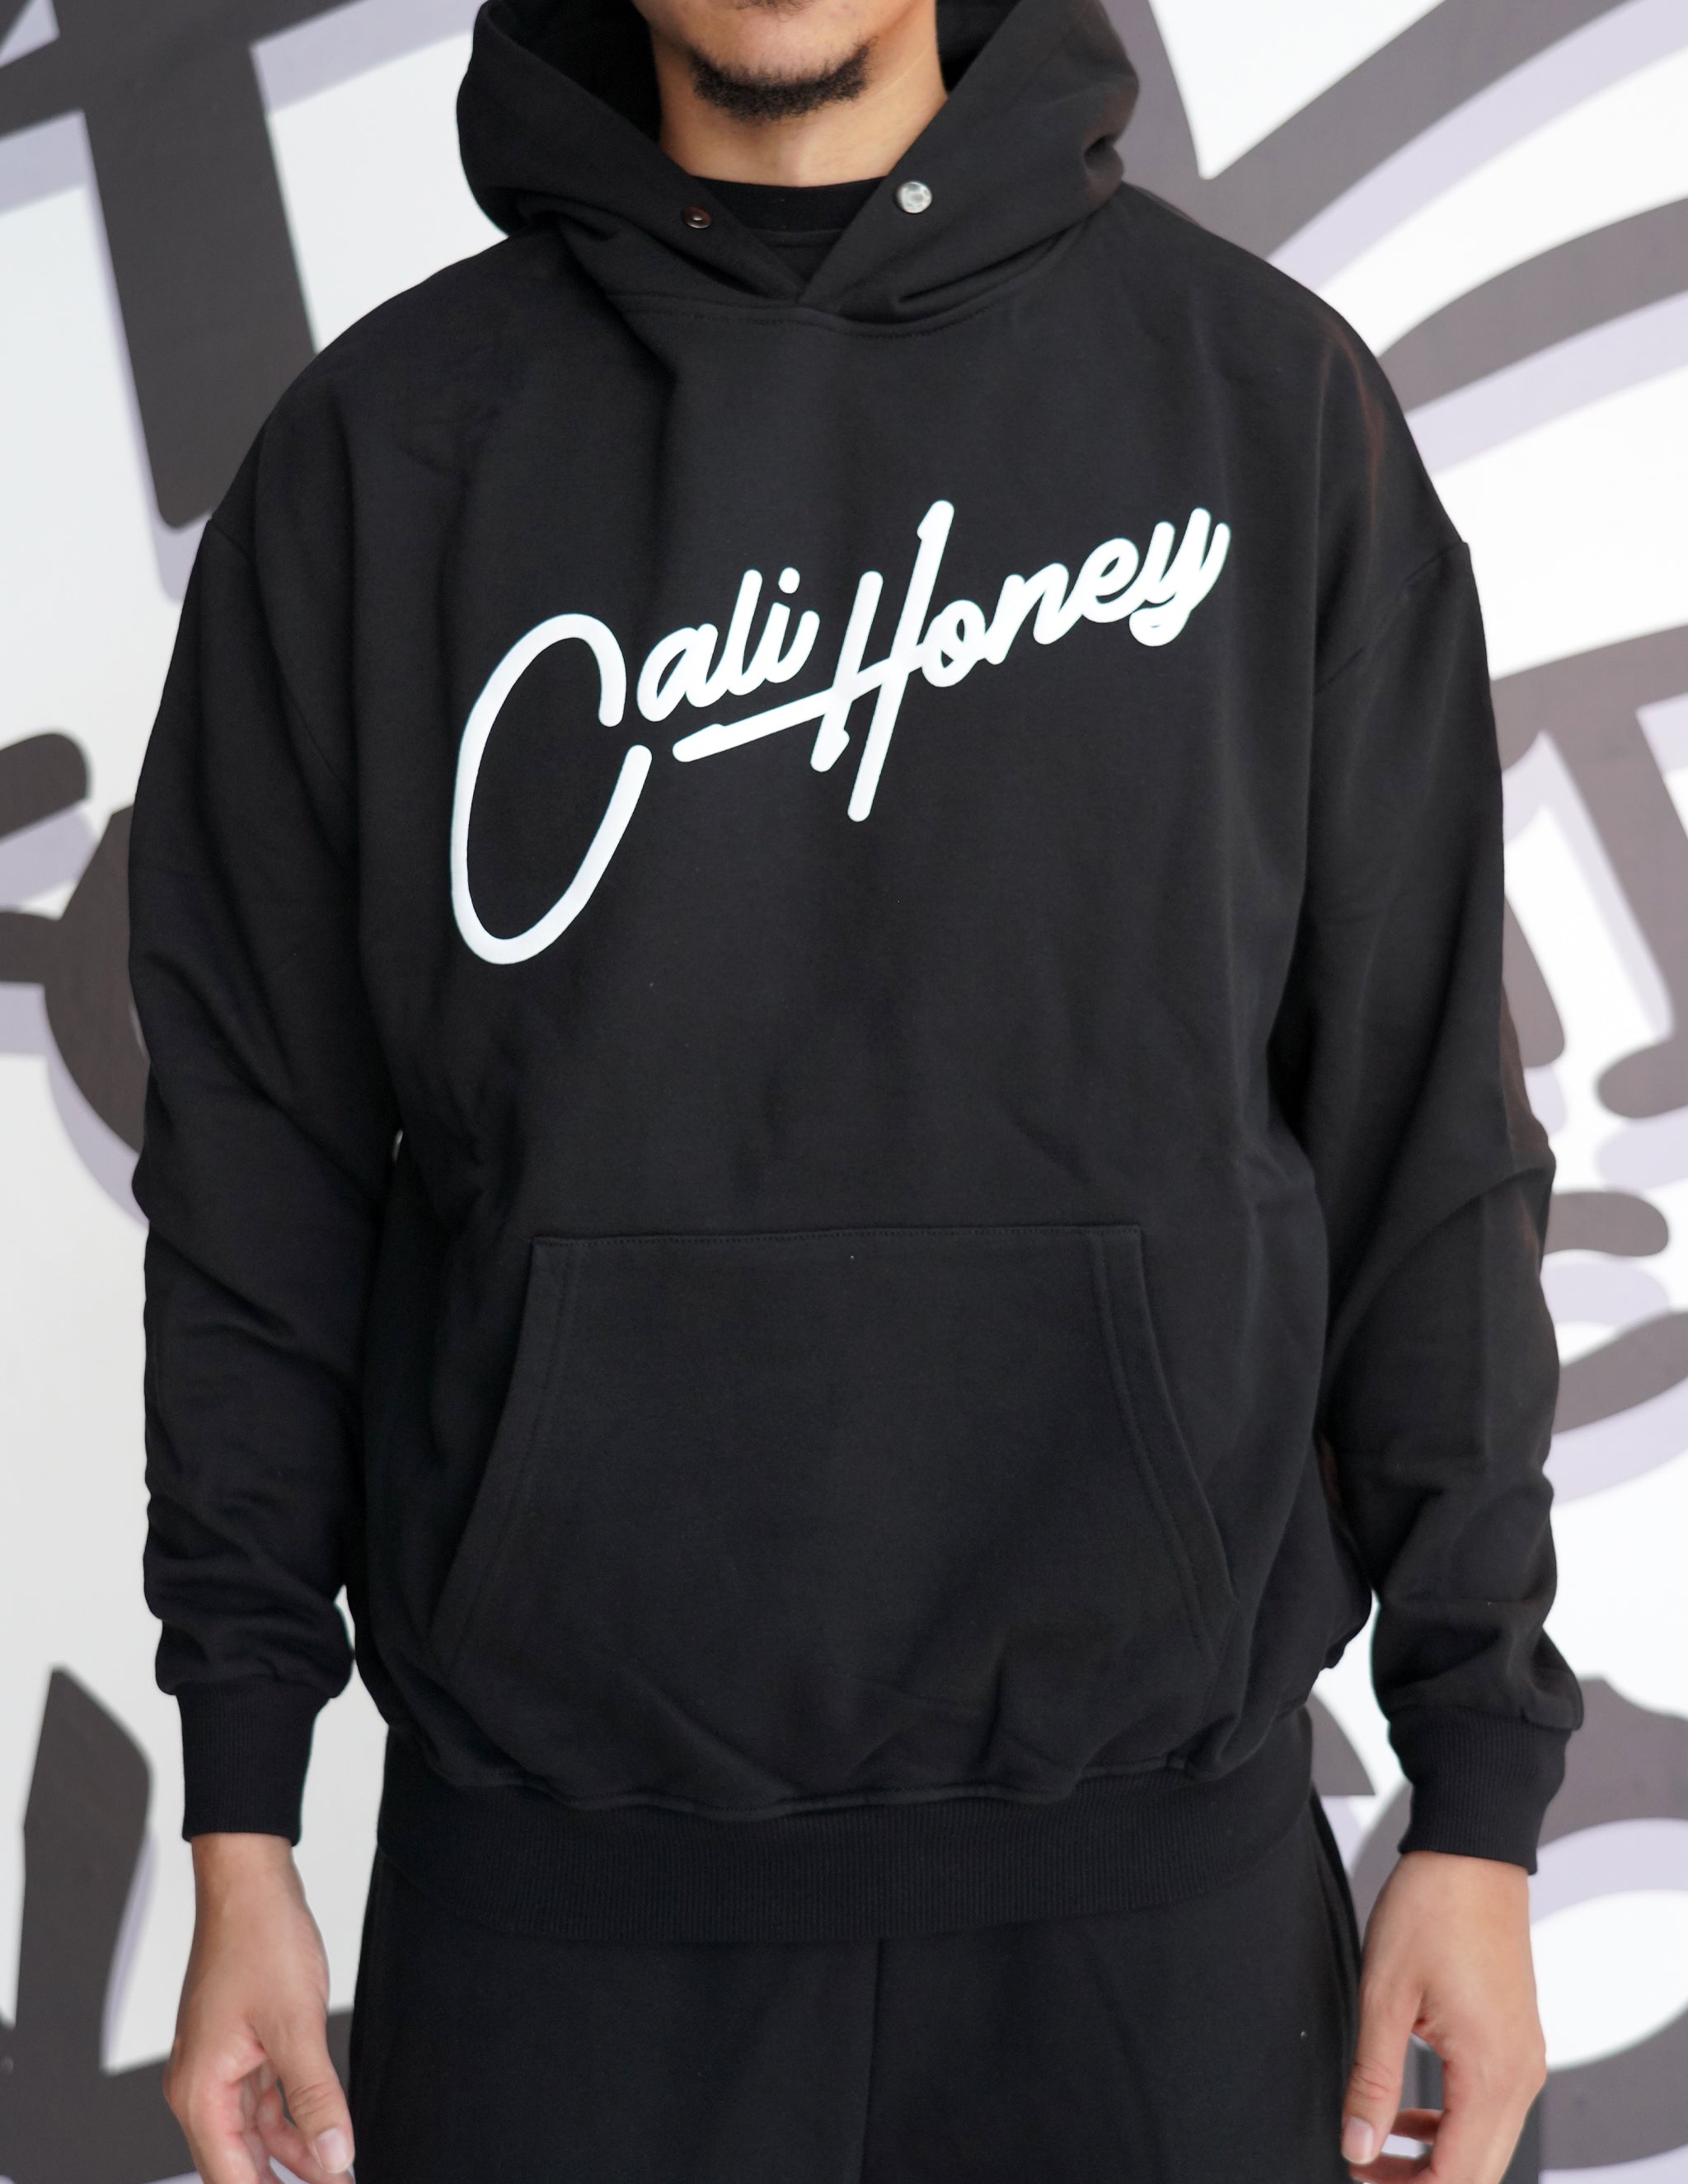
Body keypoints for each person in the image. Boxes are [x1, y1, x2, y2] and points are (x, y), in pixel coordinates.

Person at [129, 0, 1583, 2177]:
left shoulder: (1264, 410)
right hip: (562, 1922)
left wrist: (1477, 1789)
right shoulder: (384, 456)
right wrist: (241, 1813)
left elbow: (1425, 1143)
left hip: (1152, 1917)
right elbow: (259, 1176)